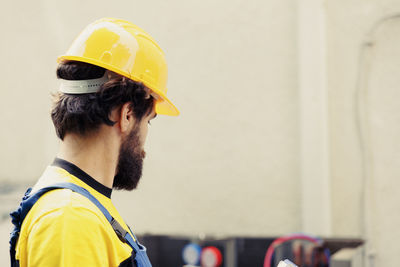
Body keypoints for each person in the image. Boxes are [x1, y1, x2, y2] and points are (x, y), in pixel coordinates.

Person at [9, 17, 179, 267]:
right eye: (149, 121)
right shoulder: (71, 219)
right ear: (128, 115)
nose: (145, 142)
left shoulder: (82, 208)